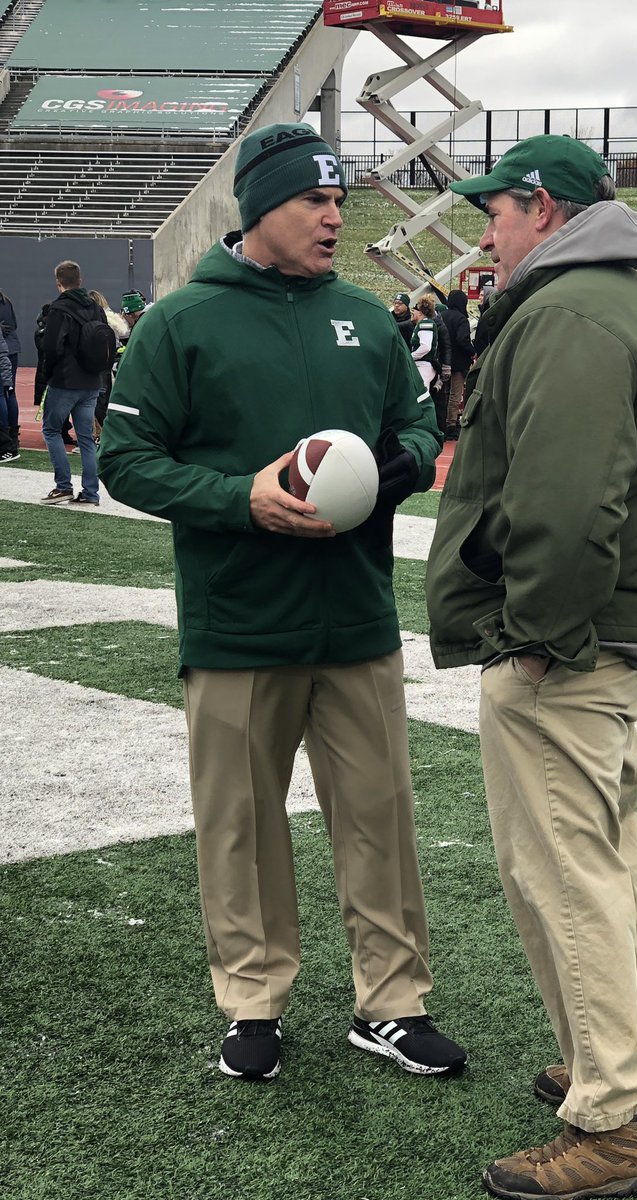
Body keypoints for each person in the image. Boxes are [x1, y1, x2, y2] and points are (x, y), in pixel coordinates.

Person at [99, 123, 465, 1083]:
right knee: (242, 823)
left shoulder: (369, 317)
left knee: (379, 816)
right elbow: (127, 459)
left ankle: (391, 1003)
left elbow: (419, 422)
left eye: (340, 201)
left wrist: (406, 463)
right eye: (315, 200)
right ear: (260, 209)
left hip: (355, 615)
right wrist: (237, 498)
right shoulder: (182, 322)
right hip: (236, 622)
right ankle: (254, 1002)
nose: (335, 217)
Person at [426, 133, 637, 1200]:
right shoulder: (608, 302)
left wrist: (537, 630)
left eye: (494, 207)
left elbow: (565, 501)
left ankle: (617, 1118)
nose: (484, 227)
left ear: (542, 207)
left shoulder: (570, 313)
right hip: (612, 632)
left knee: (563, 877)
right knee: (604, 868)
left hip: (569, 644)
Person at [39, 260, 109, 506]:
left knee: (50, 429)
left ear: (59, 283)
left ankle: (63, 486)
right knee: (86, 438)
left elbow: (52, 346)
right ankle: (91, 492)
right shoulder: (95, 306)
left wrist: (48, 374)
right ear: (80, 280)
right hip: (92, 379)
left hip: (66, 380)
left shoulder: (60, 308)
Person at [88, 290, 129, 439]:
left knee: (97, 403)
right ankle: (103, 433)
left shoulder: (97, 322)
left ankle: (100, 434)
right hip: (110, 365)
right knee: (105, 401)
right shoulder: (114, 320)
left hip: (100, 366)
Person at [442, 289, 474, 439]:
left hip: (443, 361)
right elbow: (463, 340)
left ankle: (442, 422)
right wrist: (472, 351)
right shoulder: (461, 319)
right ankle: (451, 425)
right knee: (455, 394)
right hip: (458, 362)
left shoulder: (442, 316)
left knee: (445, 393)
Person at [0, 288, 20, 462]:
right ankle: (13, 436)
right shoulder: (6, 301)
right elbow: (14, 325)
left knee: (1, 394)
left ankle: (5, 438)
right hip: (11, 350)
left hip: (2, 351)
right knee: (10, 392)